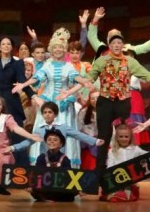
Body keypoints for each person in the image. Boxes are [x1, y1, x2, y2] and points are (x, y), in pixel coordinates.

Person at [60, 29, 150, 189]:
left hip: (123, 102)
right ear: (109, 45)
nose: (116, 45)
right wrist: (69, 91)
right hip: (105, 102)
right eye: (114, 43)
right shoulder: (102, 61)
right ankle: (98, 177)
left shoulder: (129, 62)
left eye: (119, 43)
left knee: (124, 134)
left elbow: (148, 76)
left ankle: (126, 172)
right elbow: (87, 80)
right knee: (103, 138)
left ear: (122, 45)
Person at [12, 37, 91, 168]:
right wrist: (23, 84)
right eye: (55, 47)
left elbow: (77, 78)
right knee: (44, 131)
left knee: (65, 132)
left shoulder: (69, 66)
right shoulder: (47, 65)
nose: (58, 49)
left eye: (60, 47)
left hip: (64, 105)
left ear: (64, 50)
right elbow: (36, 78)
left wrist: (77, 86)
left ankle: (66, 164)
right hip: (48, 104)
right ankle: (41, 164)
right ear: (52, 50)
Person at [11, 101, 103, 166]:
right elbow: (27, 142)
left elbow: (78, 135)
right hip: (44, 161)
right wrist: (13, 147)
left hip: (60, 159)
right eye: (45, 112)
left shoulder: (62, 127)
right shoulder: (40, 129)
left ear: (55, 114)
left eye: (50, 112)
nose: (47, 114)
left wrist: (95, 141)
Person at [102, 122, 149, 202]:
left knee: (127, 191)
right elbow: (110, 165)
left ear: (130, 138)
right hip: (116, 177)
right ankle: (117, 194)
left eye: (126, 137)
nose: (123, 139)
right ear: (116, 138)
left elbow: (148, 155)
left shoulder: (135, 149)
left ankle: (127, 192)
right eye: (121, 136)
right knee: (112, 192)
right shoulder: (112, 151)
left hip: (129, 179)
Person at [30, 129, 79, 203]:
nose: (52, 141)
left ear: (61, 144)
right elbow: (37, 174)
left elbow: (69, 177)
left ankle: (50, 198)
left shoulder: (65, 159)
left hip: (60, 190)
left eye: (55, 140)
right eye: (49, 140)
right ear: (46, 143)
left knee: (74, 190)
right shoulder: (41, 157)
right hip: (45, 188)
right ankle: (46, 197)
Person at [77, 90, 100, 171]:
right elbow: (79, 128)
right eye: (92, 98)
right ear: (89, 100)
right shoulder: (84, 112)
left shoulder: (107, 111)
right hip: (88, 143)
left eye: (97, 98)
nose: (95, 100)